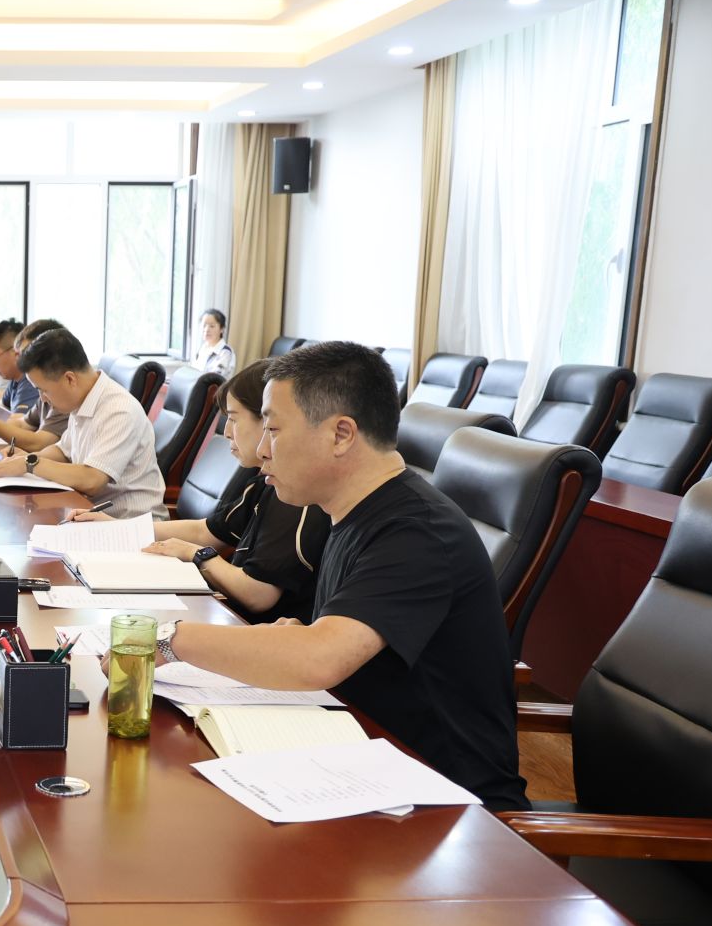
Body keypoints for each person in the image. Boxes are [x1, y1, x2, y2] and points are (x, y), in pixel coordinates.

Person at [156, 341, 527, 810]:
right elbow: (336, 644)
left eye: (273, 429)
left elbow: (320, 660)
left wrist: (168, 640)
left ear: (341, 434)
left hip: (444, 806)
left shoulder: (416, 531)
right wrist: (303, 636)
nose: (262, 449)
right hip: (361, 758)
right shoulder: (348, 511)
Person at [70, 360, 330, 624]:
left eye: (233, 419)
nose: (226, 432)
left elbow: (258, 594)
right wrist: (118, 527)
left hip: (252, 628)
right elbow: (205, 531)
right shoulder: (261, 482)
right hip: (230, 615)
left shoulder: (295, 497)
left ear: (266, 422)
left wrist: (195, 554)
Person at [0, 328, 165, 517]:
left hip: (130, 524)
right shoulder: (81, 400)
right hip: (91, 514)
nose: (42, 399)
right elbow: (63, 451)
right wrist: (26, 458)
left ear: (70, 379)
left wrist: (29, 464)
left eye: (43, 390)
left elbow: (92, 480)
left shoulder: (119, 410)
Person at [0, 317, 70, 453]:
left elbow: (39, 444)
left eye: (25, 355)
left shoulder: (61, 391)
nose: (20, 361)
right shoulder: (42, 388)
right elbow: (22, 423)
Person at [191, 308, 235, 376]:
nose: (206, 329)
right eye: (204, 325)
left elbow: (215, 378)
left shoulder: (225, 352)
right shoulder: (203, 348)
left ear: (222, 329)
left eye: (212, 326)